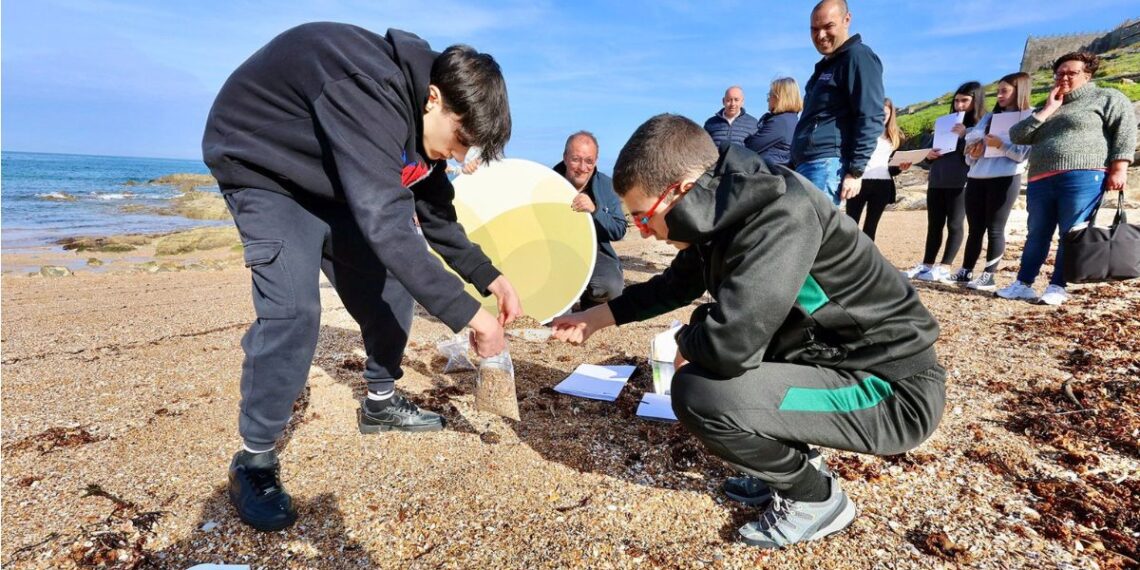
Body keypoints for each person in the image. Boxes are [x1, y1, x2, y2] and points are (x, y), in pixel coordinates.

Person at [551, 114, 945, 549]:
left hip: (889, 389)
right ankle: (792, 463)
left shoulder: (779, 215)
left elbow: (729, 346)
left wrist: (688, 341)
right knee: (715, 366)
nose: (643, 231)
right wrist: (594, 319)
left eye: (645, 217)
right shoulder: (722, 206)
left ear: (681, 191)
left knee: (700, 393)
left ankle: (816, 499)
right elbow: (678, 283)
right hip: (832, 360)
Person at [202, 22, 522, 532]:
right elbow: (388, 224)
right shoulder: (366, 87)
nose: (462, 157)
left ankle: (380, 402)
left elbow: (434, 213)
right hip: (264, 167)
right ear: (434, 98)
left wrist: (490, 278)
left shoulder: (422, 127)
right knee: (293, 312)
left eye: (472, 150)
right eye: (462, 139)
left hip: (334, 178)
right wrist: (472, 318)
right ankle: (254, 459)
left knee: (391, 287)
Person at [998, 52, 1137, 305]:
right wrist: (1049, 109)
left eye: (1071, 73)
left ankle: (1058, 285)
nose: (1063, 77)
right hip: (1041, 178)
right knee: (1036, 233)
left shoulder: (1107, 97)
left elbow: (1124, 132)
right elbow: (1017, 135)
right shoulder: (1049, 104)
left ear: (1087, 74)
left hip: (1083, 175)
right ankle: (1024, 283)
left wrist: (1119, 168)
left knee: (1071, 232)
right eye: (1059, 73)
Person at [792, 0, 885, 206]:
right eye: (814, 29)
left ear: (847, 20)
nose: (820, 35)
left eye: (828, 26)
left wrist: (855, 171)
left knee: (815, 234)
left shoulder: (858, 57)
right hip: (807, 164)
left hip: (826, 166)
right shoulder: (826, 67)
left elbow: (871, 115)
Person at [952, 73, 1033, 291]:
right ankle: (965, 271)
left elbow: (1022, 155)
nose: (999, 96)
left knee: (995, 228)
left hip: (1005, 178)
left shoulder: (1029, 117)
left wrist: (1001, 145)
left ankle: (989, 275)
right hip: (977, 177)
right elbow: (970, 146)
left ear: (1020, 91)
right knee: (975, 228)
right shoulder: (989, 117)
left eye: (1005, 91)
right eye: (998, 91)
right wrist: (973, 152)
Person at [902, 82, 986, 282]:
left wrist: (966, 134)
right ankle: (927, 264)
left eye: (965, 100)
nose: (959, 105)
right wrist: (928, 156)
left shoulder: (981, 125)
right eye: (956, 100)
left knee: (955, 224)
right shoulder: (944, 125)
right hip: (937, 179)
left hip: (961, 181)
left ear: (976, 101)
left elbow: (979, 154)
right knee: (934, 224)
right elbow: (927, 156)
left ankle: (945, 267)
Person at [553, 131, 628, 309]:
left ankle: (588, 303)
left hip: (596, 251)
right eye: (575, 159)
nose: (582, 167)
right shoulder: (548, 182)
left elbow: (619, 229)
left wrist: (595, 211)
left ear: (596, 161)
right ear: (565, 157)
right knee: (555, 313)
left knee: (612, 287)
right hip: (555, 250)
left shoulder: (607, 186)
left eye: (589, 161)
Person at [845, 97, 910, 240]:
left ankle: (866, 260)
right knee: (850, 224)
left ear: (891, 114)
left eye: (884, 114)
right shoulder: (859, 132)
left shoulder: (896, 136)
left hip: (883, 184)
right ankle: (847, 259)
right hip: (859, 181)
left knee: (871, 226)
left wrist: (900, 167)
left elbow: (892, 168)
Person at [745, 77, 801, 167]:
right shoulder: (791, 119)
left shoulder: (780, 122)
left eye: (770, 95)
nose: (768, 99)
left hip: (770, 173)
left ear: (778, 97)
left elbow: (751, 147)